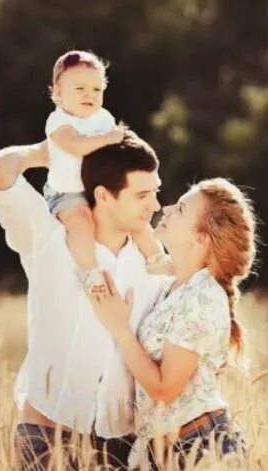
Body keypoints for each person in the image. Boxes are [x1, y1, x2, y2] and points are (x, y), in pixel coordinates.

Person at [0, 130, 168, 471]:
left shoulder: (154, 258)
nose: (155, 205)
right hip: (47, 436)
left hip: (124, 445)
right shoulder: (50, 236)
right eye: (142, 195)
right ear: (103, 195)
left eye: (155, 192)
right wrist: (52, 151)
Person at [89, 178, 256, 471]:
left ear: (201, 239)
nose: (165, 208)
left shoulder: (202, 298)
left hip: (198, 452)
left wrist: (121, 330)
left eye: (179, 209)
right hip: (168, 451)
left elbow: (165, 388)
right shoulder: (180, 284)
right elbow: (156, 259)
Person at [43, 50, 169, 294]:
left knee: (136, 220)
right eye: (80, 89)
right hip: (67, 192)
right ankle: (91, 272)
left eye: (96, 89)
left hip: (97, 186)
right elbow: (75, 145)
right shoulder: (58, 121)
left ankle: (157, 259)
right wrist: (108, 137)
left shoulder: (103, 117)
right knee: (81, 223)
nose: (89, 95)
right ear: (58, 93)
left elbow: (121, 143)